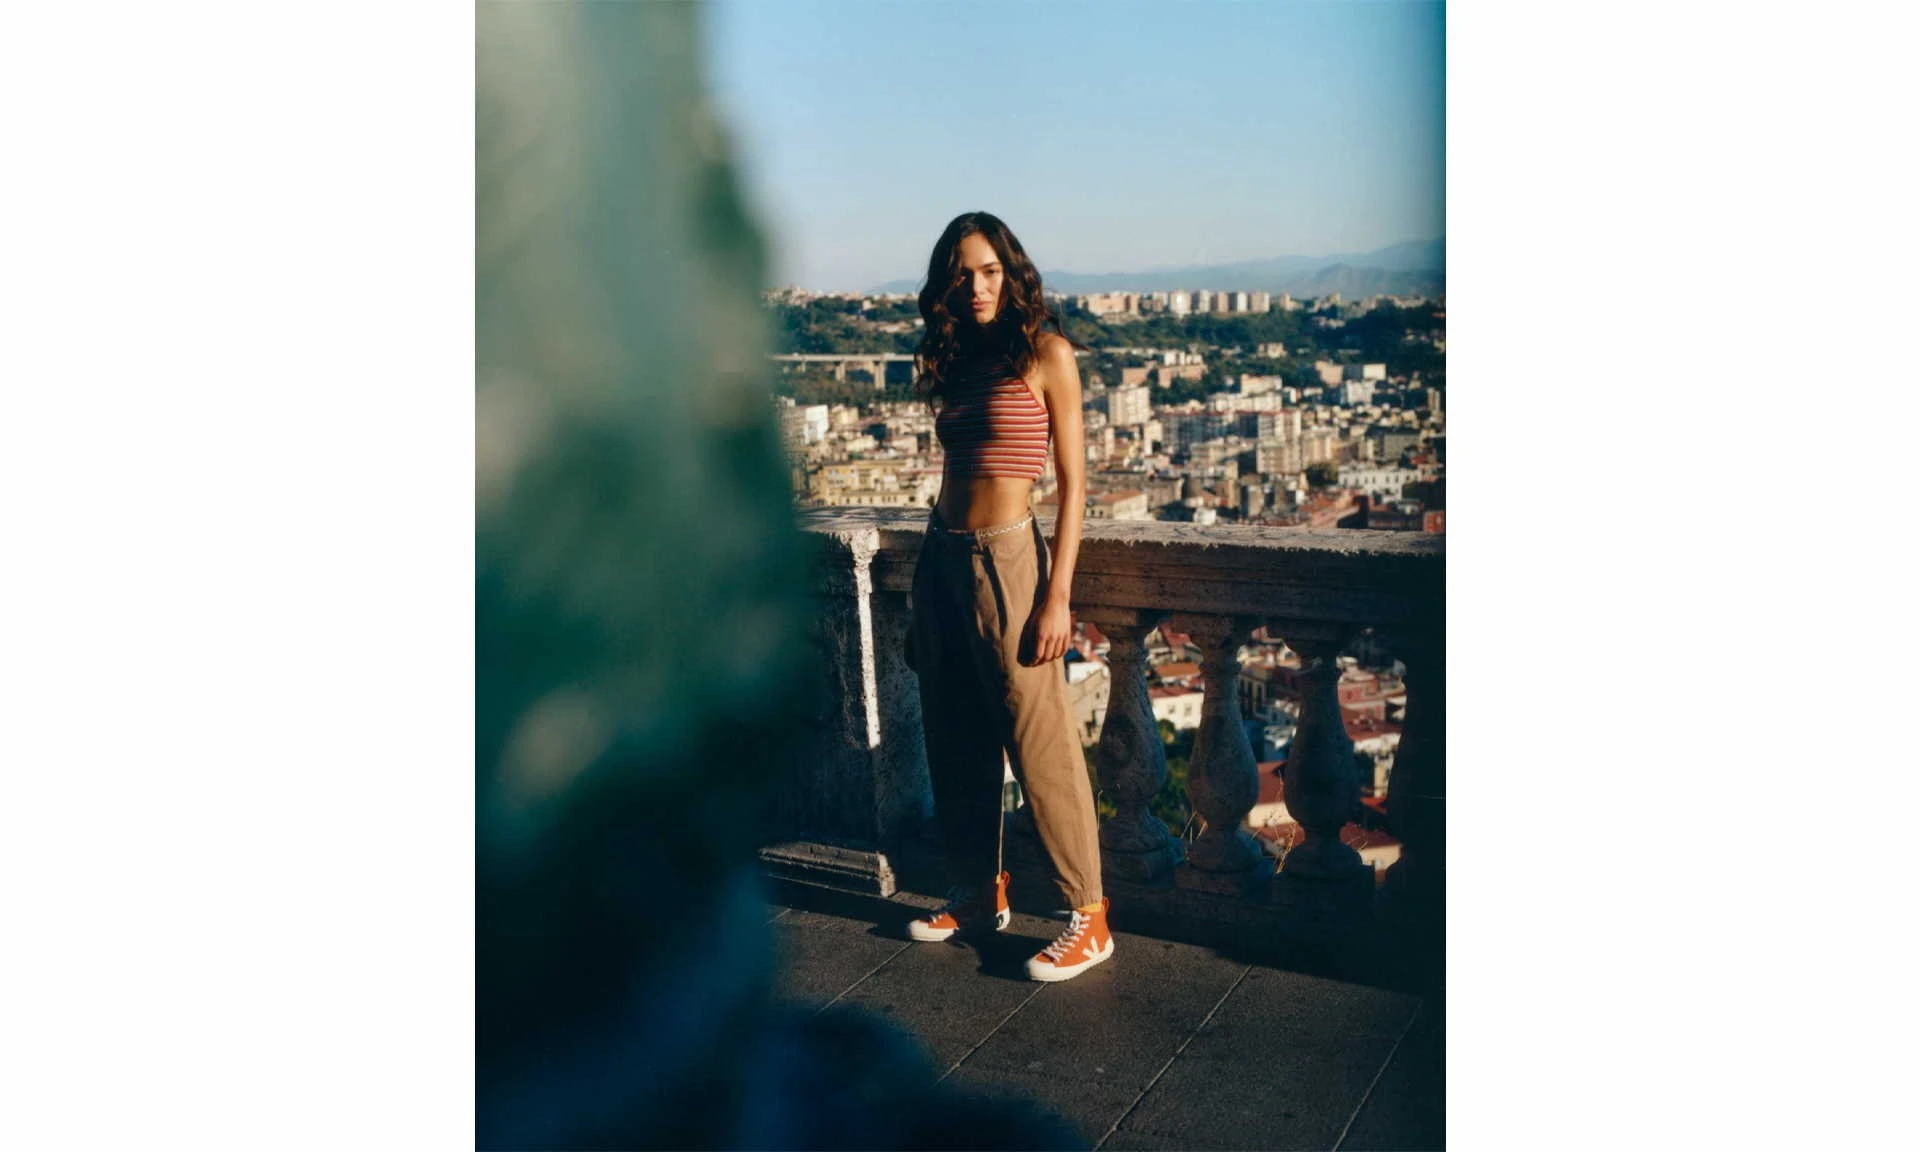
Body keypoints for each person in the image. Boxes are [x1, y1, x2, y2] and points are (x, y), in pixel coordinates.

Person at [903, 211, 1111, 982]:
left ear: (1011, 271)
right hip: (943, 554)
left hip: (1010, 559)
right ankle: (977, 890)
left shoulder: (1048, 355)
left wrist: (1058, 596)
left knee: (1039, 738)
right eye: (962, 273)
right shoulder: (957, 359)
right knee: (953, 730)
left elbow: (1075, 486)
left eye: (989, 270)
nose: (976, 285)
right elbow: (952, 476)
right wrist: (926, 584)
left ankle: (1088, 915)